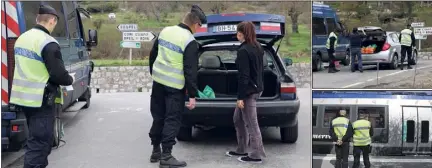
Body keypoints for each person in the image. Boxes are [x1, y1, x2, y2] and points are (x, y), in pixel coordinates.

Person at [9, 5, 74, 168]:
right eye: (55, 23)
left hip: (23, 99)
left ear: (38, 19)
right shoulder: (48, 42)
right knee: (40, 144)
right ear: (52, 20)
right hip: (41, 100)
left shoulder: (22, 38)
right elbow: (58, 74)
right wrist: (69, 79)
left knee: (37, 141)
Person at [148, 5, 206, 167]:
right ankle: (166, 156)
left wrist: (154, 73)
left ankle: (155, 151)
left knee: (158, 116)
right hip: (174, 87)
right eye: (200, 26)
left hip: (158, 83)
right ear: (195, 24)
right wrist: (192, 95)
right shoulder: (189, 41)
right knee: (172, 119)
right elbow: (190, 70)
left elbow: (153, 55)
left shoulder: (166, 31)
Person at [225, 21, 266, 163]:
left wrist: (240, 97)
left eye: (238, 32)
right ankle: (242, 148)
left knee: (251, 123)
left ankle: (256, 155)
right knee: (238, 118)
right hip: (256, 88)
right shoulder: (258, 46)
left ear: (242, 33)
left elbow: (244, 76)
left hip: (248, 92)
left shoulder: (243, 50)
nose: (237, 34)